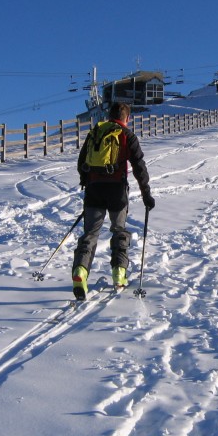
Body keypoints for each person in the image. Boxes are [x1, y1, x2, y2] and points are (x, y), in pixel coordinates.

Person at [71, 102, 155, 299]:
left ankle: (80, 272)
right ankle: (119, 272)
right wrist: (146, 194)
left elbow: (82, 161)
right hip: (117, 190)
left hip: (94, 189)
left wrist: (87, 182)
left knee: (90, 233)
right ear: (127, 118)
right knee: (119, 230)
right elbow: (139, 166)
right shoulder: (127, 135)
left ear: (108, 115)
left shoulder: (95, 132)